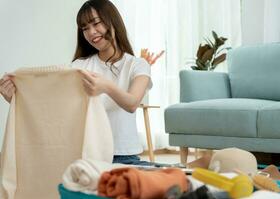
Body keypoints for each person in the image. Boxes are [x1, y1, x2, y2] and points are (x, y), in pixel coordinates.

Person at [0, 0, 164, 165]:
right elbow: (51, 104)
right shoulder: (79, 66)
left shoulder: (137, 65)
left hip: (124, 156)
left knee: (169, 179)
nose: (91, 32)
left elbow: (132, 103)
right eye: (85, 28)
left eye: (96, 23)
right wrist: (15, 99)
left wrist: (105, 86)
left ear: (112, 21)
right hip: (86, 156)